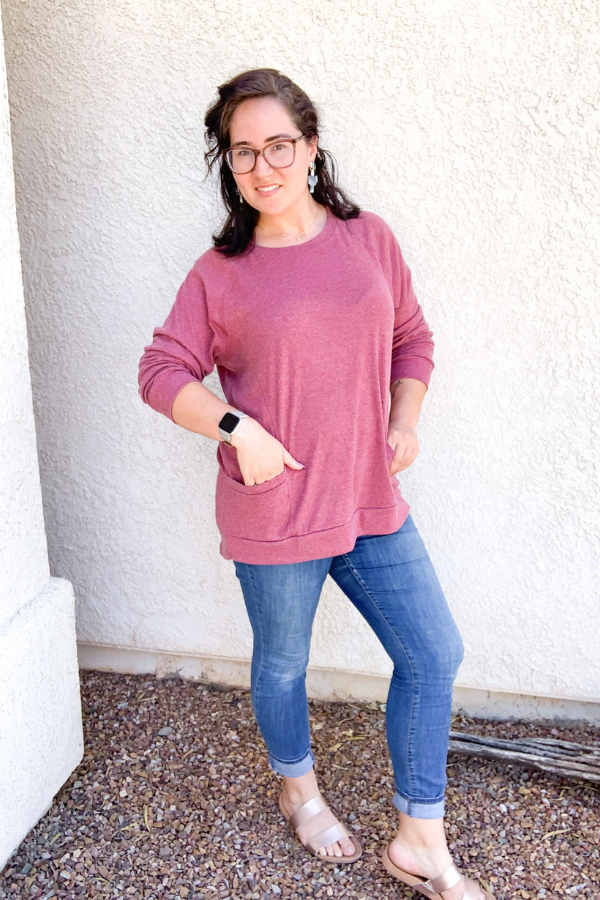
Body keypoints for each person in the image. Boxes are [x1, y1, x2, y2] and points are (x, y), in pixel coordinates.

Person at [138, 68, 493, 900]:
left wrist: (405, 420)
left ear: (312, 147)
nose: (262, 167)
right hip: (277, 507)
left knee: (433, 652)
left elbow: (412, 338)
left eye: (279, 146)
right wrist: (237, 427)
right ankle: (300, 793)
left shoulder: (367, 238)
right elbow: (161, 371)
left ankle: (419, 838)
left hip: (369, 498)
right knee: (283, 665)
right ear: (228, 164)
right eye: (242, 152)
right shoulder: (220, 273)